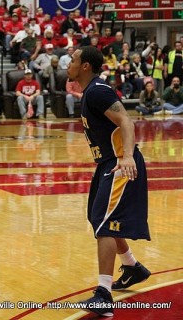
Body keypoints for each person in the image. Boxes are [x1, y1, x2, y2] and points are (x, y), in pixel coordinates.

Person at [67, 46, 151, 317]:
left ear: (86, 66)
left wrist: (127, 157)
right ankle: (132, 266)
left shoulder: (98, 91)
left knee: (104, 223)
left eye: (74, 59)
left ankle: (103, 293)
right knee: (99, 218)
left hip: (119, 163)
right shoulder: (89, 92)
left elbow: (126, 121)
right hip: (108, 162)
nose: (69, 63)